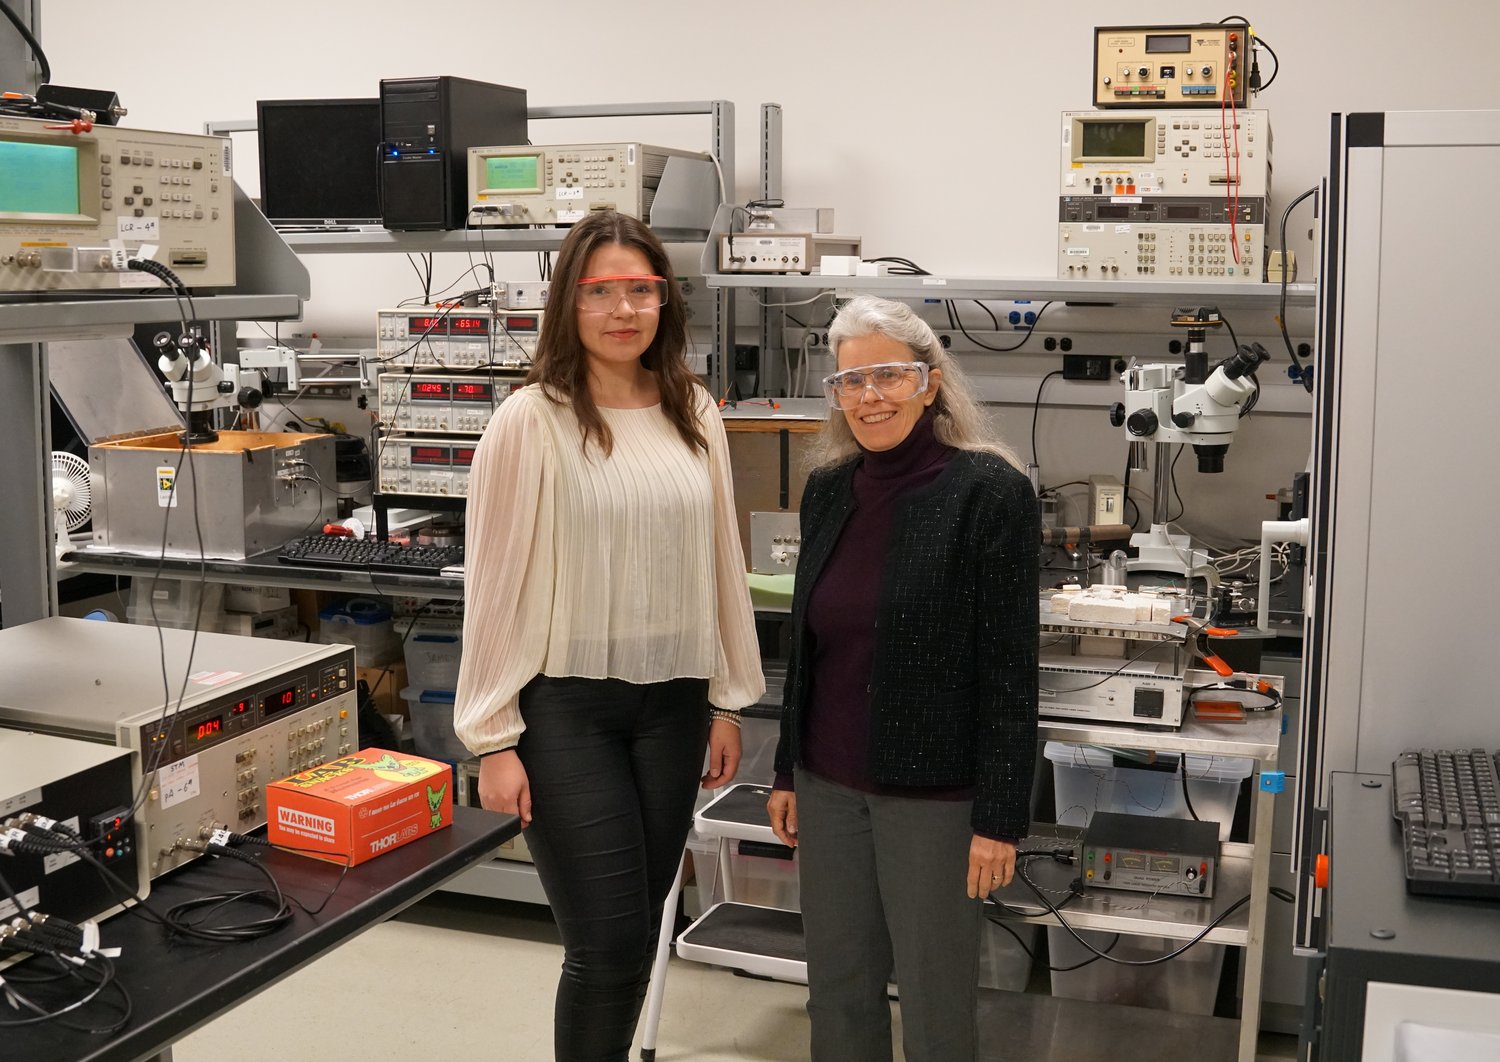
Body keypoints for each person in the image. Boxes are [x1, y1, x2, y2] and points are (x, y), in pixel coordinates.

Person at [453, 210, 764, 1061]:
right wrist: (493, 737)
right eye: (601, 292)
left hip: (674, 707)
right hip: (567, 712)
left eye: (641, 289)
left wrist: (729, 701)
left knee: (636, 943)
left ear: (664, 299)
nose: (623, 309)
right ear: (568, 304)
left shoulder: (693, 409)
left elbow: (719, 561)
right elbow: (496, 582)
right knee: (607, 947)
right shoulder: (532, 418)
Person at [766, 295, 1039, 1062]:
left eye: (888, 375)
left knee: (934, 998)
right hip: (828, 787)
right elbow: (808, 648)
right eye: (850, 382)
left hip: (935, 799)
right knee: (838, 990)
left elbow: (1011, 673)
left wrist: (999, 819)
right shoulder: (828, 490)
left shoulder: (988, 492)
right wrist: (788, 768)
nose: (870, 396)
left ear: (929, 382)